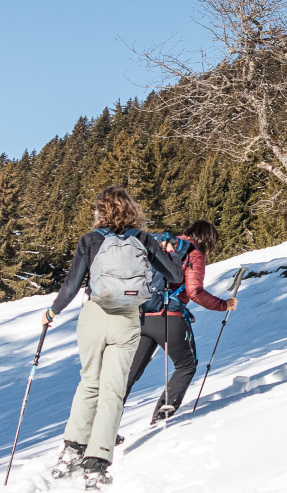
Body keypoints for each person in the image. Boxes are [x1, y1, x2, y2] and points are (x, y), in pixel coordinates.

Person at [43, 186, 183, 488]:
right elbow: (175, 277)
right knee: (113, 391)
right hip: (127, 319)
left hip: (94, 316)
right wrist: (169, 255)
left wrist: (52, 312)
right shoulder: (144, 240)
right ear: (131, 209)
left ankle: (71, 450)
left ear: (100, 212)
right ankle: (96, 462)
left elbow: (72, 284)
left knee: (89, 382)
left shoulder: (90, 241)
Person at [123, 220, 238, 425]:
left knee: (130, 373)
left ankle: (103, 425)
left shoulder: (162, 246)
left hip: (142, 316)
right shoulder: (194, 253)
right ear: (208, 240)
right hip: (169, 318)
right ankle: (162, 416)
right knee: (186, 365)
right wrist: (224, 305)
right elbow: (195, 292)